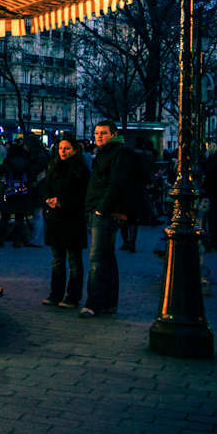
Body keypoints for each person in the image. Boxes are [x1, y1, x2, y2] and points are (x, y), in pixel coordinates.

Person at [78, 120, 137, 318]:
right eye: (96, 132)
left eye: (103, 133)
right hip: (102, 210)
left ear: (113, 134)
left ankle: (93, 304)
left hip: (106, 213)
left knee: (97, 260)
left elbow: (117, 184)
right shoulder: (106, 152)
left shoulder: (119, 152)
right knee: (107, 259)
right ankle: (109, 303)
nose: (98, 136)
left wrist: (101, 209)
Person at [43, 133, 91, 309]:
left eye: (67, 148)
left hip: (72, 219)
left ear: (75, 150)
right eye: (61, 148)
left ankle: (73, 297)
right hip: (56, 219)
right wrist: (49, 200)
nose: (63, 151)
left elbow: (82, 195)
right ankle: (56, 294)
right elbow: (47, 187)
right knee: (57, 260)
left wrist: (62, 203)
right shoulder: (54, 166)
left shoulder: (81, 168)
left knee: (74, 260)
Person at [0, 140, 34, 247]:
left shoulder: (7, 162)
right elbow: (32, 177)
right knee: (20, 218)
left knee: (5, 216)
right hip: (22, 193)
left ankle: (0, 240)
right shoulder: (26, 163)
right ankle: (18, 241)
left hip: (8, 192)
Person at [22, 135, 50, 247]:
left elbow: (34, 172)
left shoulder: (39, 157)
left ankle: (36, 239)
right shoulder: (41, 155)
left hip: (39, 188)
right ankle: (36, 239)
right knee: (38, 214)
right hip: (41, 187)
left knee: (38, 214)